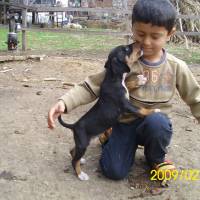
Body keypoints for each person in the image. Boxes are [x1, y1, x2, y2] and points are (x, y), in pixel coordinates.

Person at [48, 0, 200, 180]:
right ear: (133, 27)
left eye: (155, 36)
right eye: (140, 34)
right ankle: (109, 138)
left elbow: (195, 96)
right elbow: (91, 86)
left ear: (170, 34)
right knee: (113, 171)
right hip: (124, 124)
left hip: (153, 125)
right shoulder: (123, 63)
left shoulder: (176, 67)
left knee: (158, 122)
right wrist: (64, 103)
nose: (146, 42)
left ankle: (156, 159)